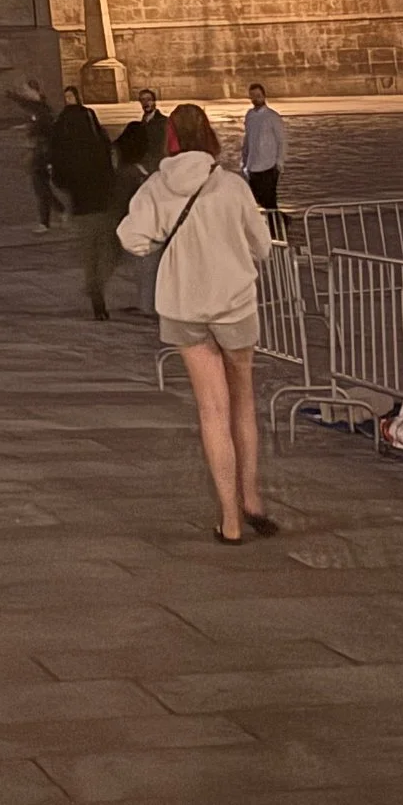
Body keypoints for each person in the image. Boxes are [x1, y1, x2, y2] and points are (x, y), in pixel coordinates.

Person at [117, 102, 279, 543]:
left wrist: (161, 246)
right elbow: (262, 246)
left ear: (169, 139)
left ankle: (228, 520)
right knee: (242, 401)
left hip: (185, 305)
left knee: (212, 408)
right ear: (209, 136)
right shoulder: (230, 187)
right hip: (233, 302)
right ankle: (252, 500)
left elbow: (130, 237)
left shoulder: (156, 186)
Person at [48, 85, 124, 320]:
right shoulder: (95, 144)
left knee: (93, 252)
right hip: (99, 204)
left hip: (84, 206)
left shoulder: (68, 143)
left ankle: (95, 289)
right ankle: (96, 291)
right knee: (107, 250)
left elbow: (58, 171)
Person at [6, 79, 58, 231]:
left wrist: (33, 134)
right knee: (42, 187)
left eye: (26, 90)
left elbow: (46, 129)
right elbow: (25, 104)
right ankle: (59, 213)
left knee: (41, 187)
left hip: (42, 154)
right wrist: (13, 96)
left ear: (34, 91)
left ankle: (48, 220)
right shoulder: (38, 106)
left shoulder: (42, 109)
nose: (24, 93)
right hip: (39, 152)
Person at [238, 84, 287, 224]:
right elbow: (247, 139)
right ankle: (281, 222)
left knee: (270, 200)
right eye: (252, 96)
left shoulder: (272, 117)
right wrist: (244, 161)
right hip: (253, 166)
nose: (255, 99)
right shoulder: (250, 116)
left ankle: (275, 228)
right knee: (257, 199)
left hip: (269, 165)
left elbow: (281, 141)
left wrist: (279, 163)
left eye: (258, 96)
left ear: (264, 96)